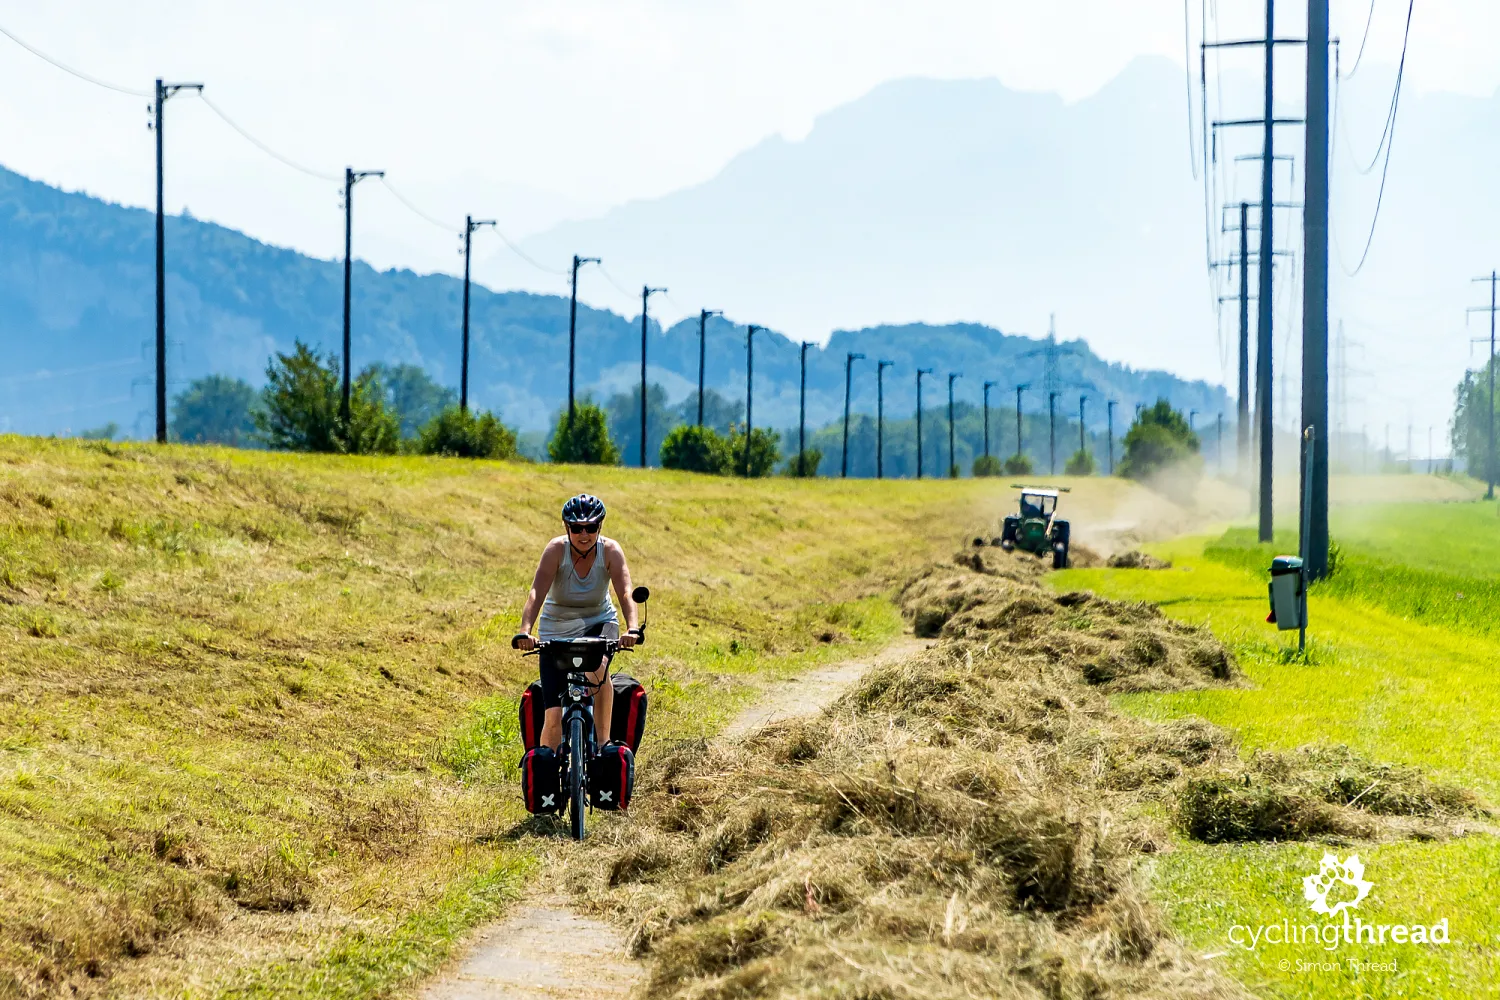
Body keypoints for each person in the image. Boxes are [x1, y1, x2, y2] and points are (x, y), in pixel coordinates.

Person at [514, 494, 639, 750]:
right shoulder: (555, 550)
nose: (584, 534)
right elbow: (536, 592)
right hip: (555, 629)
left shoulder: (611, 551)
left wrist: (632, 628)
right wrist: (525, 631)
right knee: (552, 718)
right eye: (576, 528)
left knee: (598, 672)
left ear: (600, 527)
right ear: (566, 528)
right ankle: (548, 774)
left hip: (599, 622)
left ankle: (603, 744)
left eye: (591, 528)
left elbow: (625, 591)